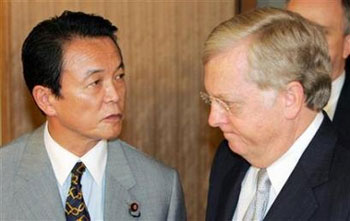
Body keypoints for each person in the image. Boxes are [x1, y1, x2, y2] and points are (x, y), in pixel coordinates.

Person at [0, 11, 186, 220]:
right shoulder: (4, 178)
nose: (114, 95)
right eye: (95, 82)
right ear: (46, 99)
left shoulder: (160, 187)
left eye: (119, 76)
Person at [202, 8, 350, 221]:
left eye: (228, 103)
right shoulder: (229, 159)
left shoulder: (343, 190)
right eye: (210, 100)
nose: (213, 119)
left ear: (290, 99)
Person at [286, 0, 350, 145]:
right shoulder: (255, 99)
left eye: (319, 32)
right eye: (294, 29)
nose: (304, 42)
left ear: (347, 45)